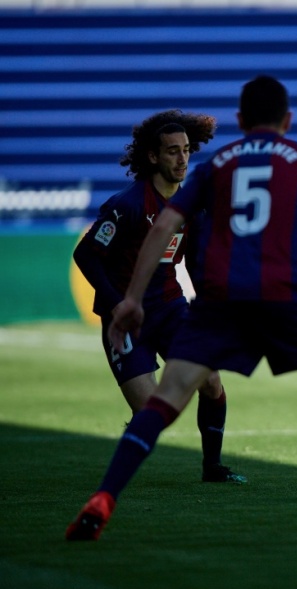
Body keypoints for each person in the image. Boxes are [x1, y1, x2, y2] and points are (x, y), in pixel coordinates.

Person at [65, 75, 297, 540]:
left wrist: (131, 297)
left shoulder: (216, 165)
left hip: (219, 302)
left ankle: (105, 497)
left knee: (166, 399)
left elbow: (166, 227)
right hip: (283, 295)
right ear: (287, 120)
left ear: (239, 121)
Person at [73, 109, 245, 484]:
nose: (182, 159)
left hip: (170, 308)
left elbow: (197, 260)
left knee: (211, 380)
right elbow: (85, 255)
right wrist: (117, 303)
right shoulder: (127, 204)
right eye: (172, 151)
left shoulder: (193, 206)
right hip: (125, 319)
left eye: (186, 150)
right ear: (152, 156)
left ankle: (212, 467)